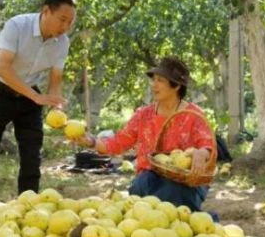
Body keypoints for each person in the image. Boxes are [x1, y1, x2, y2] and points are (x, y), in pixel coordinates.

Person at [0, 0, 76, 203]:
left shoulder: (62, 43)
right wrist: (36, 98)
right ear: (46, 11)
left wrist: (57, 108)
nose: (65, 27)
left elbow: (55, 80)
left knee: (32, 158)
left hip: (29, 97)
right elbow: (4, 68)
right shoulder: (17, 26)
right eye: (62, 20)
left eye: (70, 22)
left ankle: (29, 210)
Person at [73, 56, 215, 212]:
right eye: (153, 80)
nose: (153, 85)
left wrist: (202, 152)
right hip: (149, 178)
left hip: (186, 182)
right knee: (142, 187)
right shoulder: (144, 115)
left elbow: (207, 145)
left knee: (170, 193)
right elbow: (118, 142)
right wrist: (91, 142)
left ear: (176, 86)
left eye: (160, 80)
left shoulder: (194, 115)